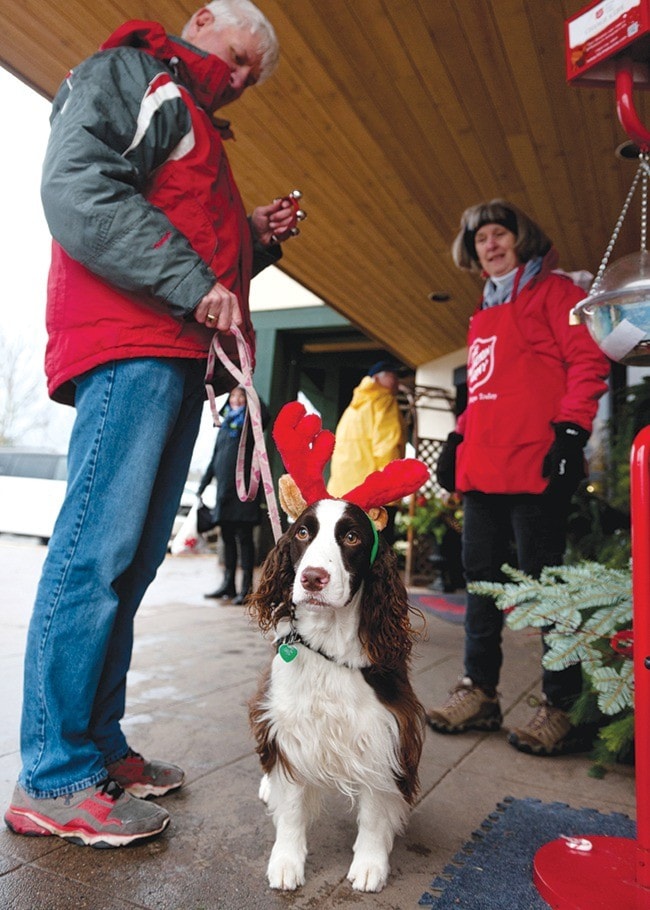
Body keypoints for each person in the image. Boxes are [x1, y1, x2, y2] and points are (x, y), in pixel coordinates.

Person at [4, 1, 297, 847]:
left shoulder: (195, 121)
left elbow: (187, 231)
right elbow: (78, 187)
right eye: (240, 58)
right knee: (94, 554)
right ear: (203, 20)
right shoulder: (130, 76)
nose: (241, 80)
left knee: (127, 566)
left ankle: (96, 749)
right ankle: (52, 777)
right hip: (130, 340)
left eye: (252, 77)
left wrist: (252, 241)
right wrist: (190, 276)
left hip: (173, 347)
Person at [427, 200, 610, 756]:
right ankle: (479, 692)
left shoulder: (558, 294)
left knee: (546, 586)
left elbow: (589, 361)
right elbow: (483, 386)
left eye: (500, 233)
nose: (490, 243)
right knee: (481, 584)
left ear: (520, 238)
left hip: (537, 463)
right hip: (485, 467)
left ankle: (561, 704)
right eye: (481, 237)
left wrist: (572, 432)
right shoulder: (484, 309)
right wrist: (458, 437)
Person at [198, 386, 267, 604]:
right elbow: (214, 458)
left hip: (243, 492)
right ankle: (228, 584)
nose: (237, 400)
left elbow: (265, 414)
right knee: (227, 537)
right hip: (224, 493)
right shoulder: (225, 425)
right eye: (234, 396)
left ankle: (246, 589)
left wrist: (248, 388)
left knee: (244, 539)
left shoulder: (251, 424)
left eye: (241, 397)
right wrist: (203, 484)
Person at [327, 360, 408, 543]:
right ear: (377, 379)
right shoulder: (384, 401)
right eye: (392, 376)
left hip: (342, 493)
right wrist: (392, 490)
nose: (396, 381)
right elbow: (388, 446)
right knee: (378, 554)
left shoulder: (354, 407)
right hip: (374, 496)